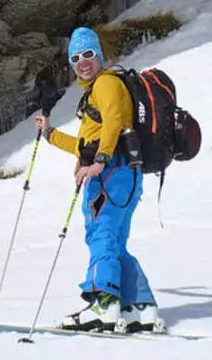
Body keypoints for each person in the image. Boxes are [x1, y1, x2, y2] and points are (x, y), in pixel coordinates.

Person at [35, 27, 159, 333]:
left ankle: (103, 304)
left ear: (99, 54)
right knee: (115, 242)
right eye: (76, 57)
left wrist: (101, 161)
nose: (82, 62)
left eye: (88, 53)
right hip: (123, 173)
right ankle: (139, 308)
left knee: (101, 235)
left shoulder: (106, 83)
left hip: (111, 173)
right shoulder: (96, 92)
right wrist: (50, 134)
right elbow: (84, 143)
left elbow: (115, 119)